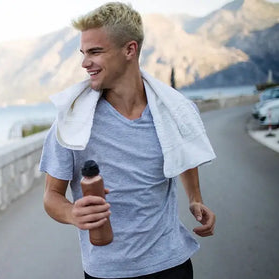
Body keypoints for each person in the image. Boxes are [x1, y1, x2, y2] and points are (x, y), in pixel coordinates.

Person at [40, 2, 216, 279]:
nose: (85, 63)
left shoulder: (174, 111)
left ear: (129, 50)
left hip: (171, 263)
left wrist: (195, 198)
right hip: (107, 270)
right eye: (84, 53)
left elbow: (180, 151)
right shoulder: (71, 123)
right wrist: (72, 213)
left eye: (95, 52)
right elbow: (51, 197)